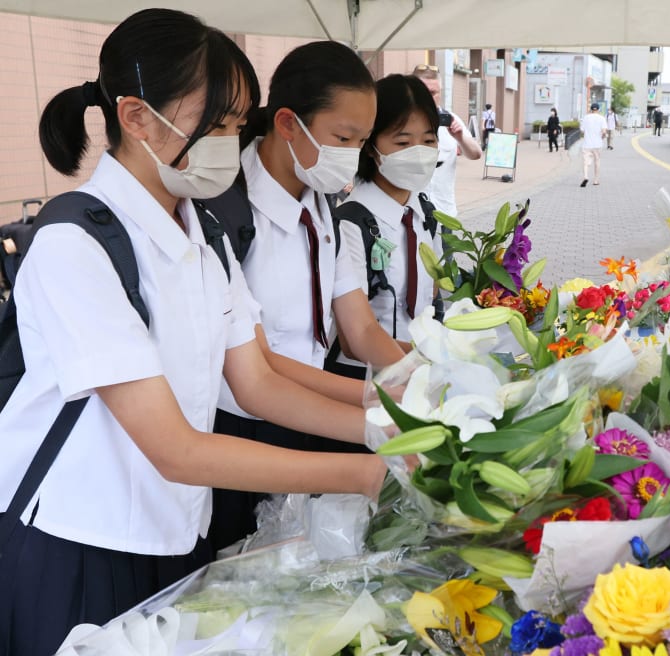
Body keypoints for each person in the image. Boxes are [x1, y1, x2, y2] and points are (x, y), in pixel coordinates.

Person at [0, 10, 388, 653]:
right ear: (135, 117)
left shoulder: (203, 234)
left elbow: (257, 380)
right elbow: (174, 449)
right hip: (80, 546)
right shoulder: (75, 243)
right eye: (214, 126)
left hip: (178, 534)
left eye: (238, 126)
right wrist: (370, 473)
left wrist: (387, 425)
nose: (229, 145)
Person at [208, 41, 409, 553]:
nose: (352, 156)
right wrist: (376, 411)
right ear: (287, 123)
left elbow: (359, 326)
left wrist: (416, 379)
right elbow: (260, 367)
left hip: (316, 413)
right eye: (342, 137)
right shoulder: (227, 212)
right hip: (244, 431)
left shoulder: (322, 206)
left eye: (361, 141)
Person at [337, 74, 442, 347]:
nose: (418, 153)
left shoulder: (426, 215)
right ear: (370, 146)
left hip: (420, 366)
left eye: (429, 141)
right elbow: (353, 337)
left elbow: (433, 293)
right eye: (403, 143)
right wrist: (430, 359)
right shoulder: (350, 223)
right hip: (365, 376)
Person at [412, 63, 482, 218]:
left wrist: (460, 137)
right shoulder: (398, 122)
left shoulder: (451, 120)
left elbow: (476, 154)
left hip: (443, 212)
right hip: (410, 214)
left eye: (433, 92)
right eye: (423, 92)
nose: (428, 98)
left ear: (440, 92)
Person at [579, 102, 608, 187]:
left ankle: (585, 176)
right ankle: (596, 180)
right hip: (597, 144)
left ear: (591, 109)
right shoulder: (602, 118)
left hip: (587, 144)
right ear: (598, 109)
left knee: (585, 162)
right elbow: (604, 131)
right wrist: (602, 136)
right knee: (597, 161)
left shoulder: (586, 118)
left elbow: (582, 130)